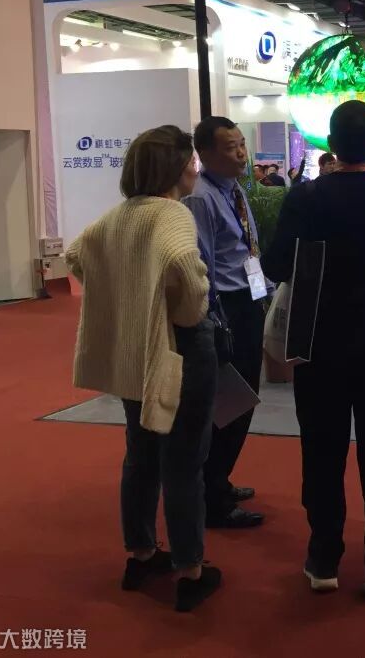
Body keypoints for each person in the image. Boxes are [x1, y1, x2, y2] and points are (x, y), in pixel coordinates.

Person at [262, 100, 365, 597]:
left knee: (321, 447)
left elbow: (275, 265)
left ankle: (323, 556)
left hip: (319, 336)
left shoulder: (306, 197)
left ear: (329, 143)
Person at [66, 126, 221, 612]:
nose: (195, 168)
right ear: (176, 168)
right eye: (191, 161)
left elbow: (76, 256)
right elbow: (186, 272)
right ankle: (190, 570)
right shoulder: (173, 213)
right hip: (180, 346)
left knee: (141, 454)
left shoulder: (118, 215)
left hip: (136, 348)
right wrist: (187, 308)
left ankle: (141, 554)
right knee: (184, 460)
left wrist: (129, 296)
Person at [182, 116, 266, 529]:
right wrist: (216, 321)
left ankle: (220, 481)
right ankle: (212, 496)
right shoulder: (201, 198)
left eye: (242, 145)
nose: (241, 154)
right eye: (231, 148)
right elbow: (203, 264)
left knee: (242, 399)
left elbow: (244, 249)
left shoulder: (233, 190)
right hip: (225, 309)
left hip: (248, 301)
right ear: (205, 154)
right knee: (230, 403)